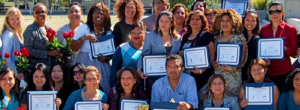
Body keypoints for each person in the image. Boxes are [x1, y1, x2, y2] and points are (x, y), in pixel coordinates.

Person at [137, 11, 181, 98]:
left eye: (166, 21)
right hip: (154, 77)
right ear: (158, 22)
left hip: (171, 76)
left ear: (171, 23)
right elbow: (144, 54)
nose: (163, 24)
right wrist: (139, 70)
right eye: (161, 21)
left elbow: (178, 57)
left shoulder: (177, 38)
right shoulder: (150, 36)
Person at [70, 2, 112, 93]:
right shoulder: (84, 28)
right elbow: (73, 47)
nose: (98, 16)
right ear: (91, 15)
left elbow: (111, 53)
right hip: (85, 63)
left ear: (106, 16)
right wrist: (84, 38)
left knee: (103, 88)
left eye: (101, 13)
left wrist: (106, 58)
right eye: (95, 13)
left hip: (102, 65)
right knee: (84, 88)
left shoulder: (108, 31)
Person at [260, 2, 298, 93]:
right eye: (272, 12)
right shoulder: (264, 30)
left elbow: (294, 53)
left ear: (283, 13)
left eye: (277, 11)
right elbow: (261, 49)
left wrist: (284, 49)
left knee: (282, 101)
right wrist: (264, 59)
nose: (275, 14)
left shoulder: (291, 29)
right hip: (268, 72)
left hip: (284, 72)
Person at [212, 9, 247, 95]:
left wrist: (231, 68)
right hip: (218, 76)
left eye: (228, 21)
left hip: (234, 77)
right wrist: (213, 64)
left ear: (233, 22)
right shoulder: (215, 38)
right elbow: (212, 57)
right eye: (222, 21)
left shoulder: (240, 38)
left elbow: (243, 59)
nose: (225, 23)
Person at [179, 10, 214, 91]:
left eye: (198, 19)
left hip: (201, 75)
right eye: (192, 19)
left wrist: (202, 70)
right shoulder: (185, 36)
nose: (194, 21)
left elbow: (211, 57)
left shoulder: (206, 35)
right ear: (189, 22)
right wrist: (180, 54)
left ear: (202, 22)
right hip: (186, 75)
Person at [23, 3, 62, 68]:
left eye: (43, 12)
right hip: (37, 68)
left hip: (50, 67)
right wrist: (47, 53)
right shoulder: (30, 29)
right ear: (33, 15)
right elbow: (28, 50)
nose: (40, 14)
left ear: (46, 14)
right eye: (37, 12)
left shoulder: (49, 28)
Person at [110, 22, 146, 87]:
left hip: (146, 87)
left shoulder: (149, 48)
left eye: (139, 33)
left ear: (144, 33)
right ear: (130, 34)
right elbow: (114, 72)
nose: (136, 36)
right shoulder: (122, 48)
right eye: (133, 33)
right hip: (126, 87)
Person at [1, 7, 23, 74]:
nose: (16, 21)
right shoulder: (8, 35)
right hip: (11, 74)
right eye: (12, 19)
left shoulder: (16, 33)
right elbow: (6, 59)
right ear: (8, 20)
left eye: (18, 18)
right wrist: (16, 73)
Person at [241, 10, 260, 81]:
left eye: (253, 20)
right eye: (247, 20)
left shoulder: (259, 39)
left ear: (257, 23)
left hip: (253, 74)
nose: (250, 23)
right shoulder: (239, 37)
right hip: (239, 72)